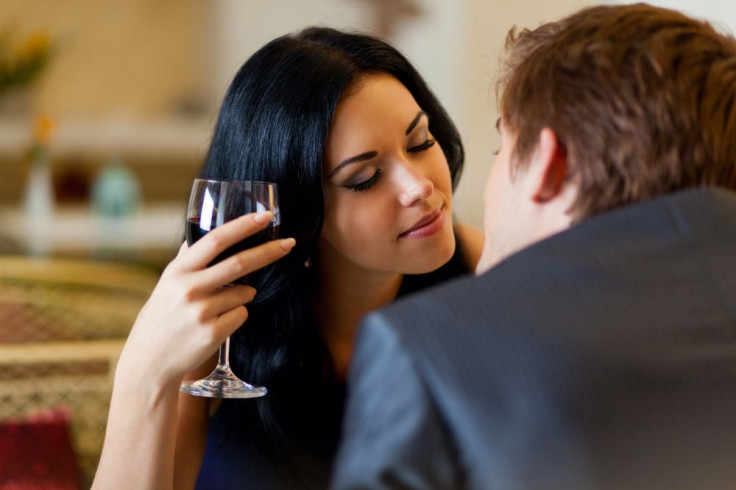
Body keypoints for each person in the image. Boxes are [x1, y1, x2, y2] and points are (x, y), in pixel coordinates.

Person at [333, 4, 736, 489]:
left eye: (501, 150)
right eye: (364, 177)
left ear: (549, 164)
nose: (422, 189)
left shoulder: (427, 353)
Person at [92, 27, 483, 490]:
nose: (420, 186)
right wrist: (142, 373)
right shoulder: (222, 331)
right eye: (365, 178)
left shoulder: (483, 272)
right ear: (297, 211)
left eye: (420, 143)